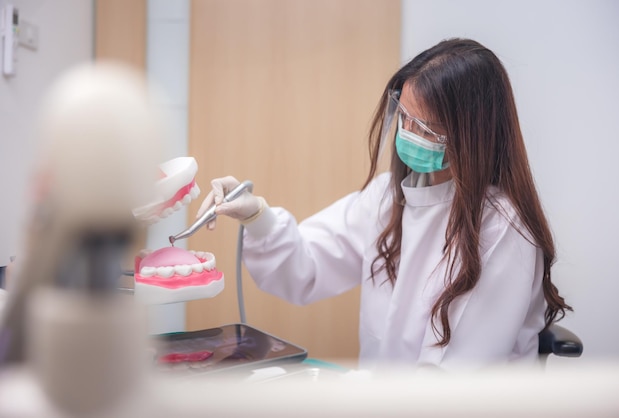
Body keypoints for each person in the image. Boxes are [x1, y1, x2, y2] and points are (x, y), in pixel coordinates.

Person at [196, 38, 571, 371]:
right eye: (404, 117)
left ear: (473, 134)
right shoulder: (388, 198)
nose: (406, 135)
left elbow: (458, 375)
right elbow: (305, 267)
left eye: (425, 128)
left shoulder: (503, 226)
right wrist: (257, 216)